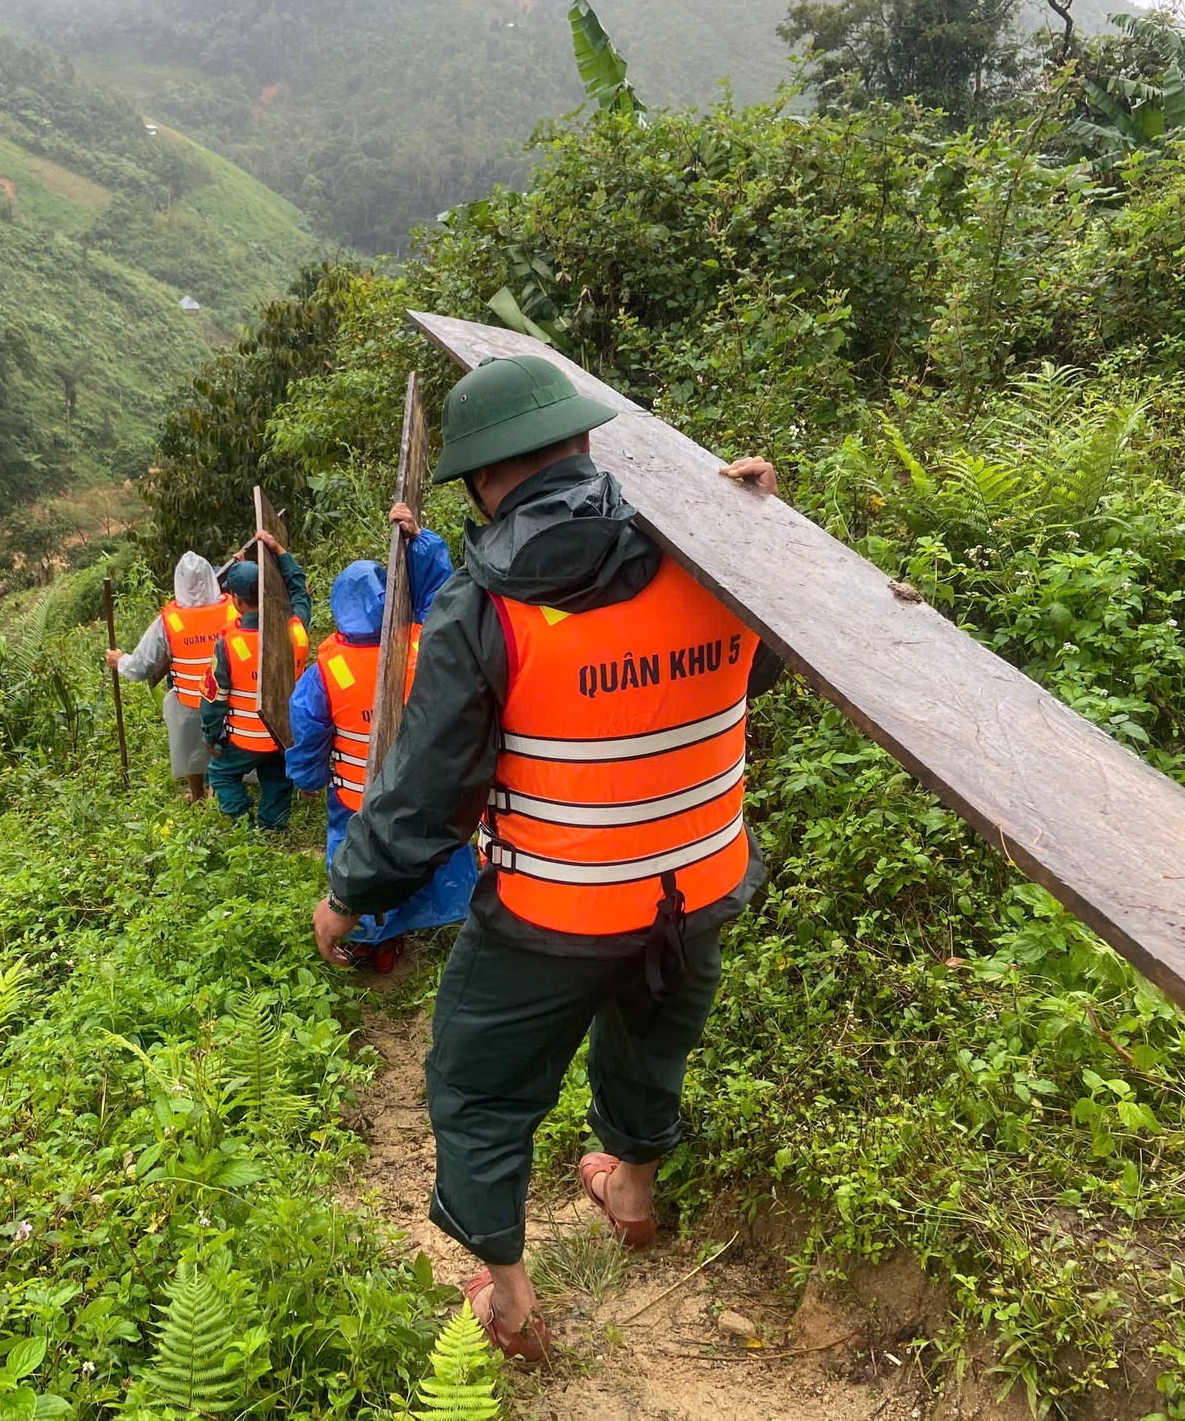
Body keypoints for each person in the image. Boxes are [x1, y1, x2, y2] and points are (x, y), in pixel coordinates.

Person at [306, 353, 783, 1363]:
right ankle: (630, 1189)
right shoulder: (709, 558)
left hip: (550, 919)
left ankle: (510, 1297)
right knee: (650, 1041)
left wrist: (348, 897)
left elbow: (426, 795)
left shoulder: (483, 611)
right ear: (581, 444)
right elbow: (769, 664)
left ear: (483, 481)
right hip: (693, 894)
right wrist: (761, 532)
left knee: (477, 1090)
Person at [284, 504, 478, 972]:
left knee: (363, 862)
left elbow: (308, 736)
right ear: (392, 597)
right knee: (422, 857)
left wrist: (308, 779)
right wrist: (419, 540)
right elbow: (442, 589)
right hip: (426, 795)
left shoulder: (323, 674)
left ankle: (373, 939)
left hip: (359, 802)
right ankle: (408, 929)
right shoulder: (423, 641)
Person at [199, 530, 312, 830]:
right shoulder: (295, 629)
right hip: (283, 736)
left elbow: (214, 700)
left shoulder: (227, 644)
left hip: (245, 739)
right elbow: (300, 592)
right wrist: (280, 552)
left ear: (235, 601)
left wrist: (211, 736)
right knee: (277, 775)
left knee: (221, 773)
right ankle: (273, 825)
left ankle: (242, 825)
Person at [107, 552, 236, 803]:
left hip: (189, 702)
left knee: (190, 746)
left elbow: (142, 665)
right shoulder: (233, 609)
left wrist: (120, 660)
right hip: (230, 701)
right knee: (225, 748)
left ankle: (198, 795)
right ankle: (219, 794)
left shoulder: (169, 621)